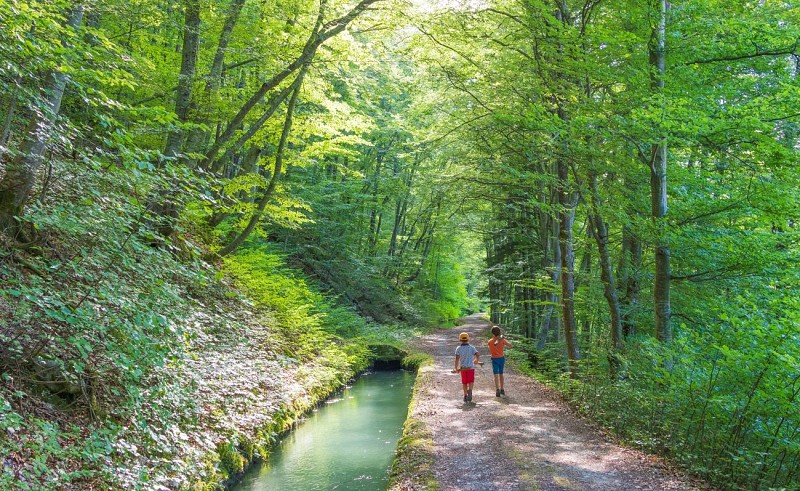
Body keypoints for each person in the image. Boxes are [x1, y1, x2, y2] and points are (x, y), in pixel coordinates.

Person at [453, 332, 480, 403]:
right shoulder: (471, 348)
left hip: (463, 369)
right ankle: (470, 390)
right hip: (471, 368)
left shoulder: (458, 348)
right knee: (471, 381)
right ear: (468, 339)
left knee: (464, 382)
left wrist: (456, 368)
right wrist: (476, 360)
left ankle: (465, 395)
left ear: (460, 339)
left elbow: (457, 359)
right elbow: (477, 354)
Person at [488, 325, 512, 397]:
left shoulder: (489, 342)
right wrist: (502, 339)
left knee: (496, 375)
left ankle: (497, 389)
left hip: (494, 359)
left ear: (492, 333)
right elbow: (510, 346)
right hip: (501, 358)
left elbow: (491, 350)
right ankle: (502, 389)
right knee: (501, 374)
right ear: (499, 332)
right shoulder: (502, 340)